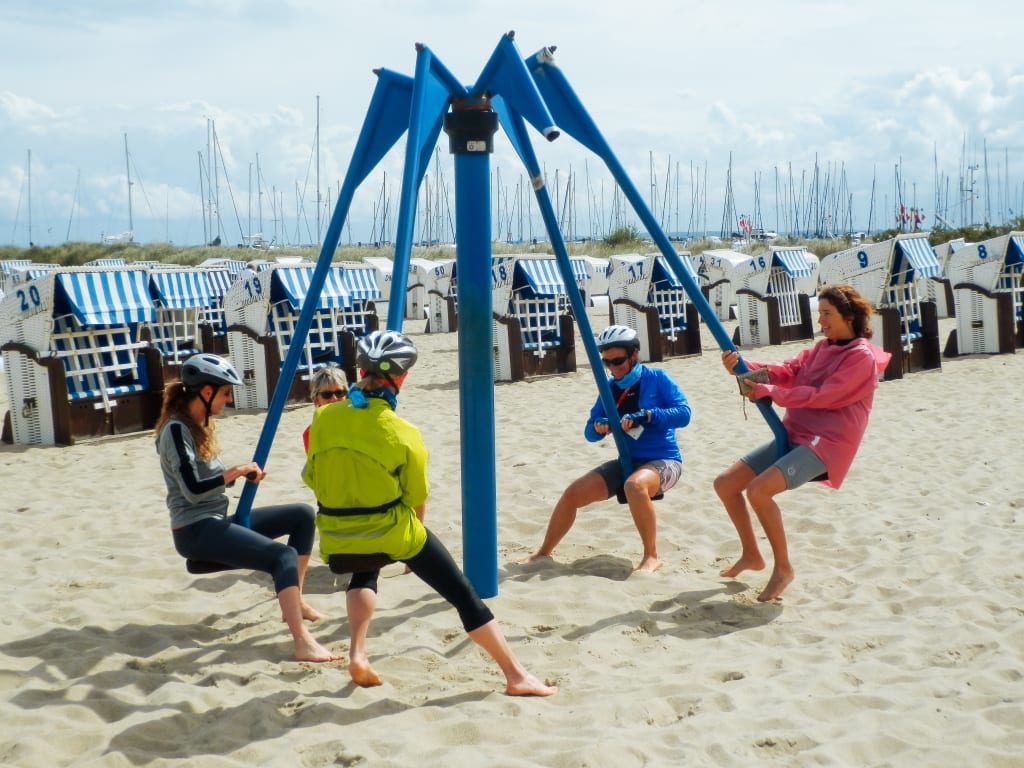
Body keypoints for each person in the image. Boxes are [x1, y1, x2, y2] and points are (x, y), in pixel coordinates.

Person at [303, 330, 557, 696]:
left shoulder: (324, 419)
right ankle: (516, 675)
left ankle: (358, 653)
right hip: (392, 530)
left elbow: (312, 476)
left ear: (360, 372)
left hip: (336, 536)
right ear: (401, 378)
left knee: (364, 572)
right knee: (462, 592)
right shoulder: (403, 432)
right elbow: (416, 495)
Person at [154, 353, 342, 663]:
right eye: (226, 392)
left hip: (213, 521)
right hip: (194, 530)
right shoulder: (176, 430)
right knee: (283, 555)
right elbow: (192, 490)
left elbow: (205, 479)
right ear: (205, 390)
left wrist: (239, 475)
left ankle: (297, 603)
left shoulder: (199, 424)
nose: (228, 400)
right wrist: (237, 472)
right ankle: (302, 642)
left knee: (302, 516)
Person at [715, 283, 891, 602]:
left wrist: (772, 393)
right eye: (819, 314)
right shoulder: (822, 348)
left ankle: (783, 568)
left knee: (759, 490)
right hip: (796, 433)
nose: (821, 321)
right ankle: (752, 555)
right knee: (726, 484)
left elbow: (824, 397)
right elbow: (789, 370)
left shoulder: (860, 358)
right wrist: (745, 369)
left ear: (849, 316)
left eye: (827, 314)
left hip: (828, 443)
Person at [526, 325, 692, 573]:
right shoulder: (609, 388)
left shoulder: (658, 379)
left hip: (665, 462)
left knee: (635, 486)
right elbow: (589, 432)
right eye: (607, 363)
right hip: (628, 462)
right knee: (572, 494)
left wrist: (648, 415)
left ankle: (651, 556)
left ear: (634, 354)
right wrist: (600, 426)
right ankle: (542, 553)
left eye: (618, 360)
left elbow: (684, 414)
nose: (614, 368)